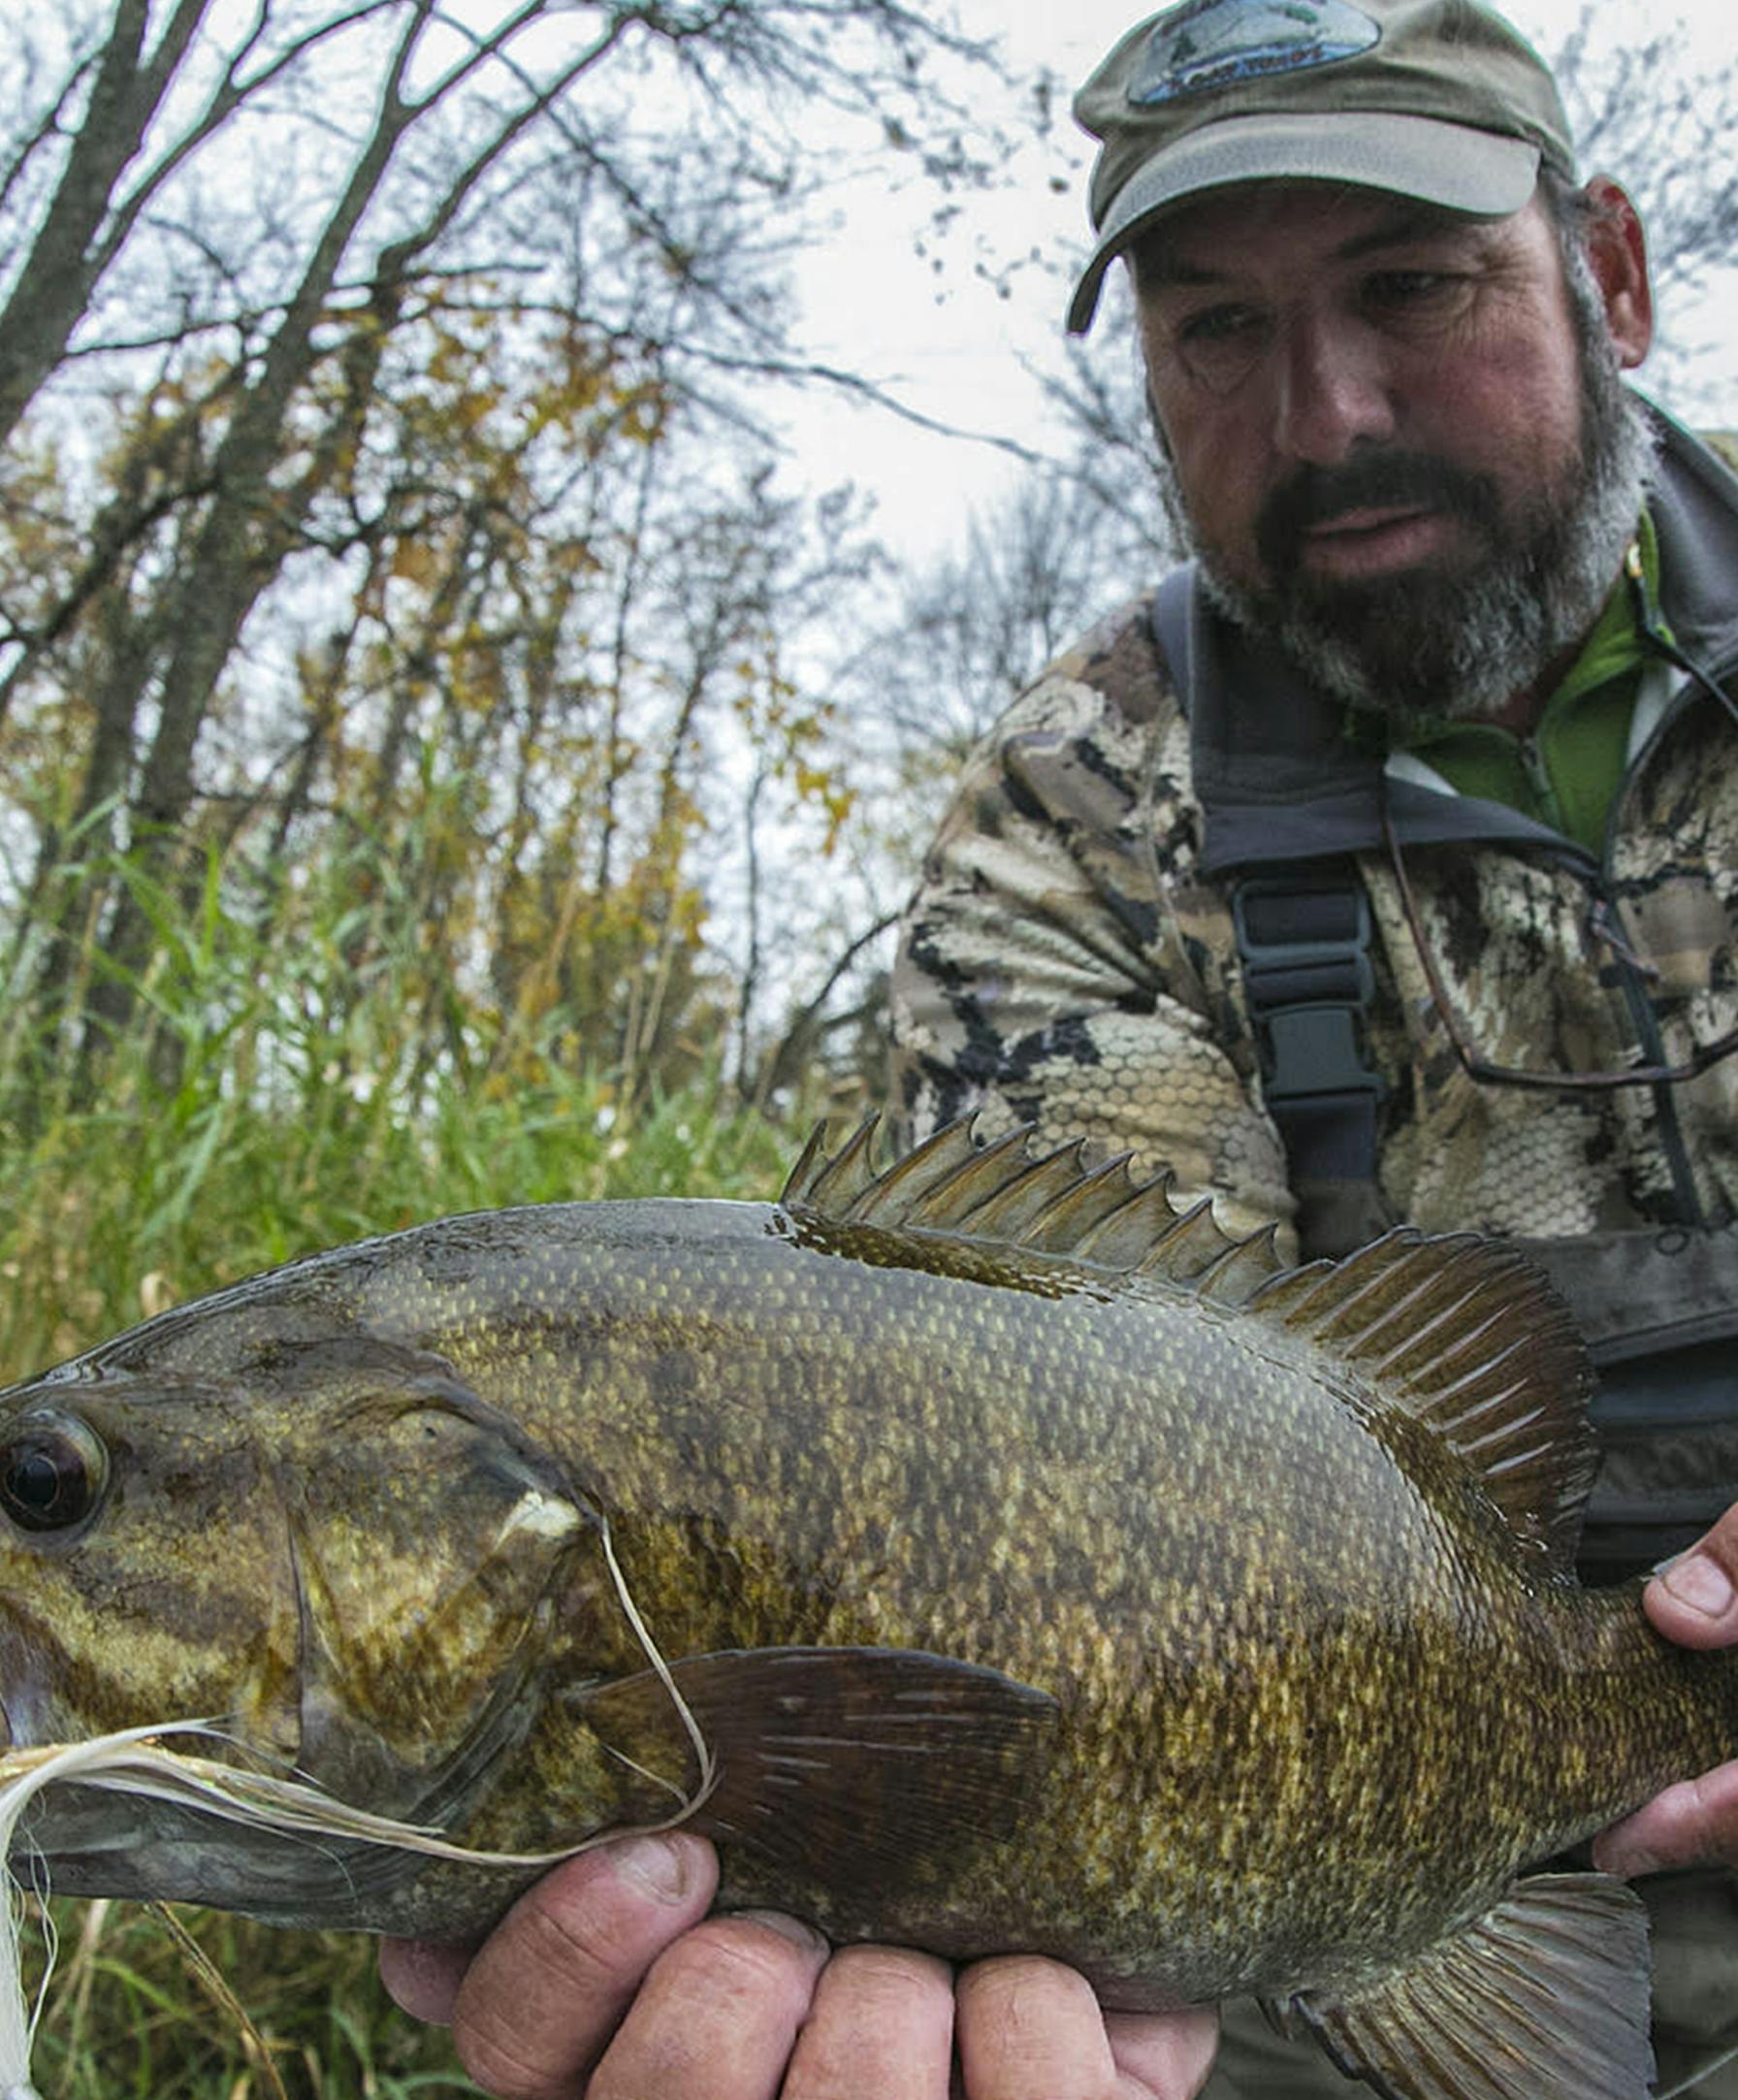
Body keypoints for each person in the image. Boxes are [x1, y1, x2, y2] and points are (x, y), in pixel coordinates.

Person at [377, 1, 1738, 2092]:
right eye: (1215, 332)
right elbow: (1064, 1386)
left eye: (1414, 287)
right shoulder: (1085, 814)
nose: (1327, 409)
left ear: (1612, 276)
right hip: (1347, 1915)